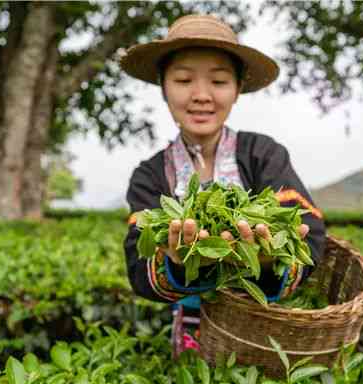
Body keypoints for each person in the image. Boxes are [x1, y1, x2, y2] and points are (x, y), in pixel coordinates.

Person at [120, 14, 326, 356]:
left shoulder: (264, 155)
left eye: (218, 81)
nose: (201, 95)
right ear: (163, 87)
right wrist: (175, 261)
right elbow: (138, 267)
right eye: (184, 80)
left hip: (267, 338)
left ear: (238, 89)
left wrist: (266, 259)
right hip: (190, 343)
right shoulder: (151, 175)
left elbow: (309, 232)